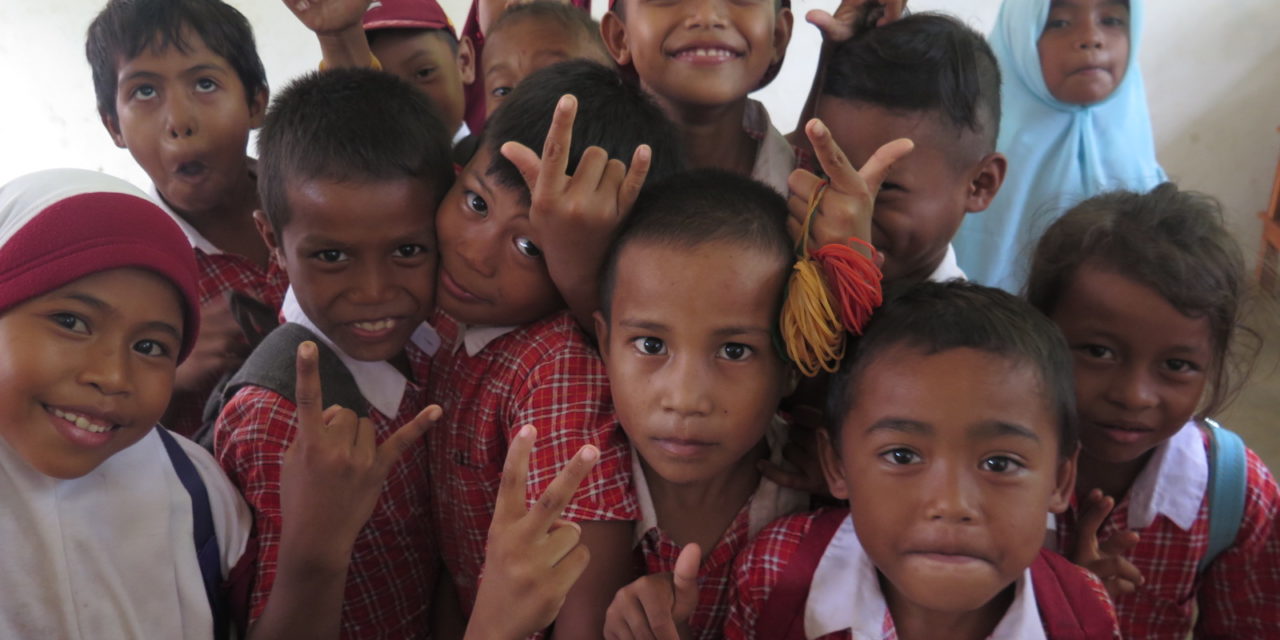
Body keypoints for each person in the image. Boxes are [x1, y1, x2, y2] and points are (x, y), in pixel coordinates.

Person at [0, 168, 433, 640]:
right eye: (72, 321)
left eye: (151, 347)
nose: (112, 376)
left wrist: (318, 549)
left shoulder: (200, 495)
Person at [425, 59, 682, 637]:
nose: (476, 252)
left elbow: (582, 615)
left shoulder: (557, 375)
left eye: (529, 246)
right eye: (475, 203)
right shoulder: (445, 316)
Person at [727, 281, 1123, 640]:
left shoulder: (1082, 612)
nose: (951, 505)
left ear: (1059, 479)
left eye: (1000, 464)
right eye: (902, 456)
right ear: (837, 464)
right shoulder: (776, 572)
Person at [213, 67, 454, 639]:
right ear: (272, 240)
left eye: (408, 250)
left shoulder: (434, 336)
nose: (374, 290)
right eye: (331, 258)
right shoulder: (280, 419)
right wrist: (317, 550)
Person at [1026, 184, 1280, 638]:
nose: (1135, 395)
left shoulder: (1236, 494)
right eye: (1099, 352)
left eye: (1177, 365)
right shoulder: (978, 465)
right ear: (1039, 333)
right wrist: (1059, 603)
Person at [86, 0, 289, 437]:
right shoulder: (122, 271)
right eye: (144, 91)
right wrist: (164, 371)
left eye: (204, 83)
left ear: (256, 102)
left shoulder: (314, 200)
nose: (178, 121)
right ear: (113, 127)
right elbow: (90, 423)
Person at [953, 0, 1166, 292]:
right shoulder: (978, 159)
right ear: (1018, 37)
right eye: (1059, 23)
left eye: (1112, 21)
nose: (1092, 38)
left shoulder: (1135, 151)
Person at [814, 13, 1007, 292]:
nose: (843, 210)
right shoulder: (777, 287)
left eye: (885, 186)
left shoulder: (964, 334)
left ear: (980, 185)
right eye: (825, 174)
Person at [600, 0, 798, 192]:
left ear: (777, 36)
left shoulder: (817, 198)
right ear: (620, 37)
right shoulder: (575, 183)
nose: (707, 17)